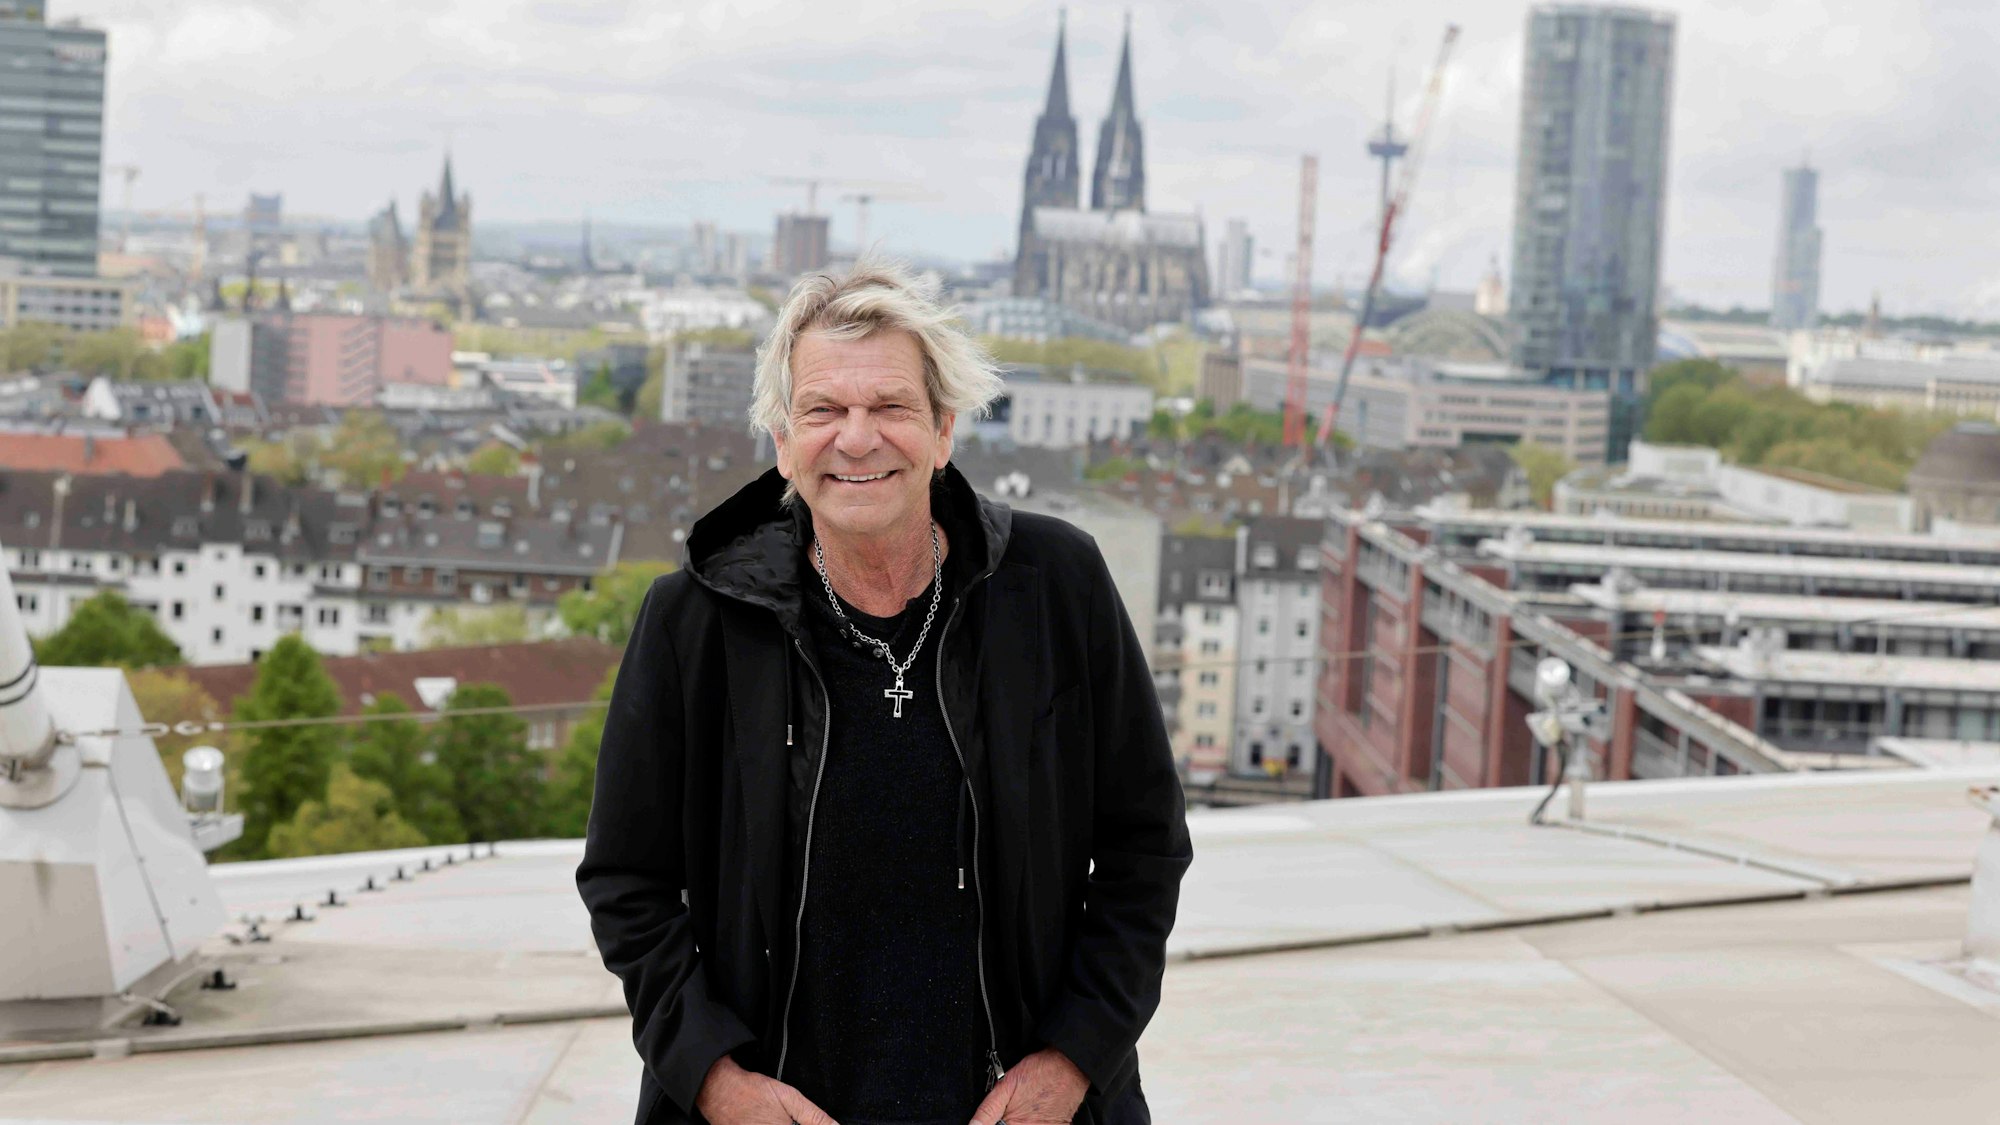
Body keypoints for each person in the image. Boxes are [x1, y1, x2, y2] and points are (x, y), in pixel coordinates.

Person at [577, 261, 1191, 1125]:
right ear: (783, 441)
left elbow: (1145, 849)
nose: (857, 439)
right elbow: (627, 881)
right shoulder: (697, 619)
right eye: (823, 410)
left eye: (891, 408)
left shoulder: (1057, 585)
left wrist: (1074, 1056)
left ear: (943, 430)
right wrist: (715, 1081)